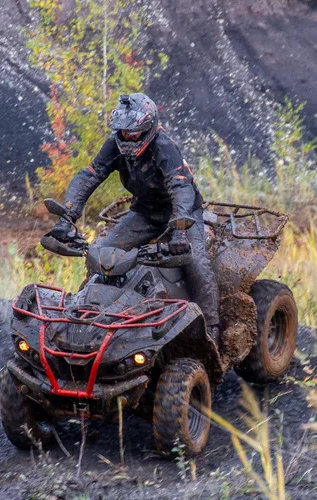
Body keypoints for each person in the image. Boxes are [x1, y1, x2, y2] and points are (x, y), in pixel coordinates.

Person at [49, 93, 221, 336]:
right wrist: (67, 216)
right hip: (144, 212)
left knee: (194, 262)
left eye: (134, 132)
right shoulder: (114, 145)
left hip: (182, 213)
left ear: (149, 128)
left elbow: (181, 186)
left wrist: (180, 230)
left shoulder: (164, 147)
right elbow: (89, 175)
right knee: (104, 252)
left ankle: (212, 327)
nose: (128, 137)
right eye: (123, 131)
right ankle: (88, 313)